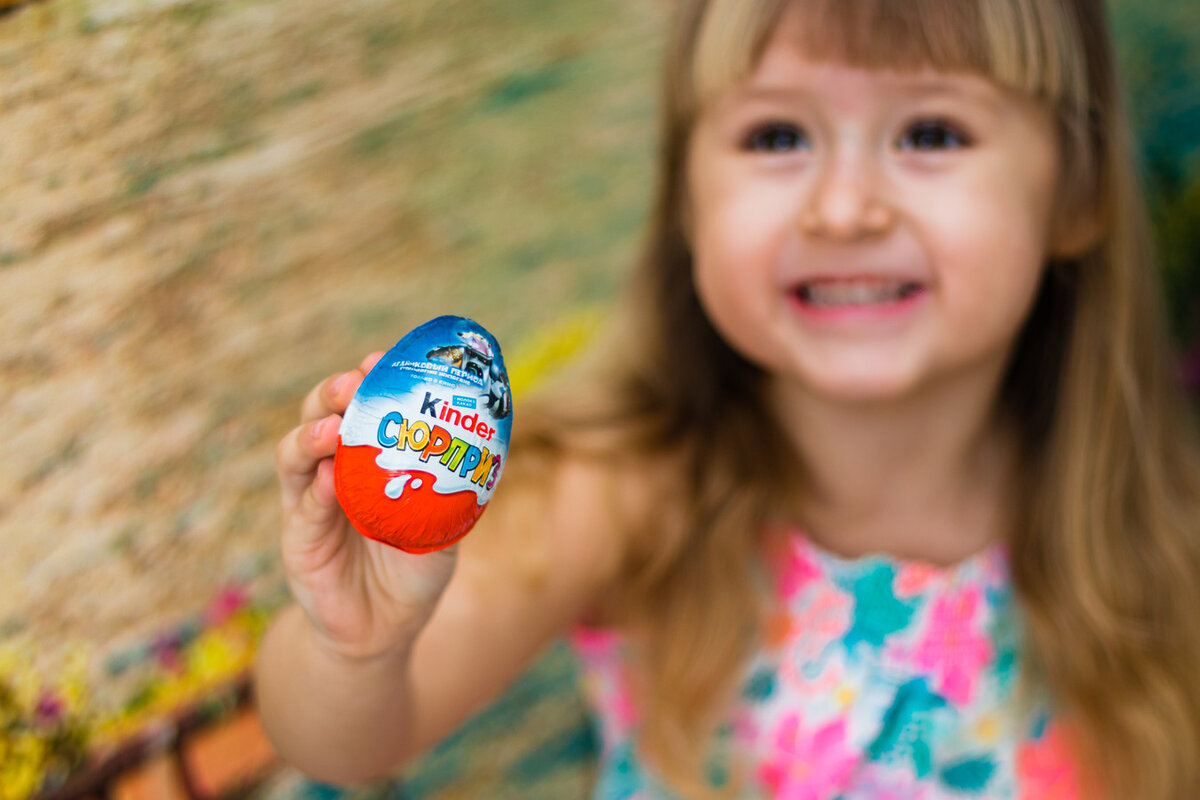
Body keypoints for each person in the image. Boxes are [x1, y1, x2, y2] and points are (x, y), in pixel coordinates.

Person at [255, 0, 1200, 797]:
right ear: (687, 204)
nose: (846, 208)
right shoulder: (621, 492)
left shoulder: (1162, 539)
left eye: (930, 133)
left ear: (1077, 191)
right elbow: (348, 742)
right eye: (777, 136)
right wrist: (356, 651)